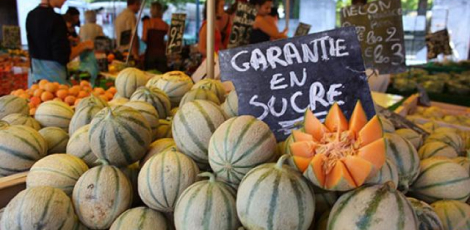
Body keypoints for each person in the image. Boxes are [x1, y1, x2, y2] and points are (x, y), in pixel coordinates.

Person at [26, 0, 93, 85]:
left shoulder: (31, 15)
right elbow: (63, 57)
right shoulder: (56, 19)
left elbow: (41, 45)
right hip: (54, 84)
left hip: (35, 80)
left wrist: (66, 41)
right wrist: (83, 46)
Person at [142, 2, 169, 71]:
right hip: (162, 54)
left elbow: (144, 38)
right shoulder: (165, 25)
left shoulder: (147, 23)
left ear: (151, 11)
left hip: (150, 54)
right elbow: (170, 41)